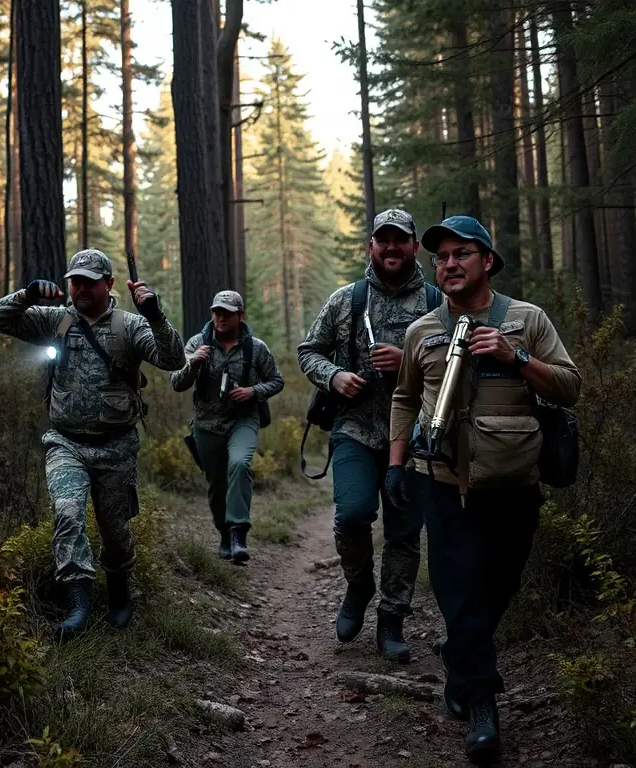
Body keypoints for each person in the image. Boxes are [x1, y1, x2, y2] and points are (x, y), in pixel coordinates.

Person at [386, 215, 581, 761]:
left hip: (515, 484)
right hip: (443, 484)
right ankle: (481, 705)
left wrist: (515, 357)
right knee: (462, 591)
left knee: (499, 586)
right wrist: (397, 466)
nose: (448, 264)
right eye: (441, 257)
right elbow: (403, 400)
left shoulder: (527, 320)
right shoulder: (422, 330)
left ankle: (462, 654)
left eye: (461, 254)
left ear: (487, 261)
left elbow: (571, 387)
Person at [0, 248, 184, 640]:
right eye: (74, 281)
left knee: (115, 530)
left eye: (89, 283)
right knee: (68, 512)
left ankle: (119, 592)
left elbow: (173, 359)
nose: (79, 290)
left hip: (116, 447)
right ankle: (78, 604)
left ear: (108, 285)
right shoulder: (57, 320)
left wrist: (156, 316)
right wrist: (25, 295)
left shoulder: (130, 327)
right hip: (65, 443)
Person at [297, 208, 442, 663]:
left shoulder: (439, 303)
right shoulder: (346, 300)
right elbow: (308, 351)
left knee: (403, 530)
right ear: (371, 247)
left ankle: (392, 619)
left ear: (414, 247)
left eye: (401, 240)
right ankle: (359, 586)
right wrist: (334, 376)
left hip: (417, 437)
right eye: (384, 240)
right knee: (354, 514)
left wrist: (410, 362)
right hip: (355, 430)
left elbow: (458, 366)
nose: (392, 247)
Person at [171, 290, 284, 563]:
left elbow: (276, 381)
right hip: (207, 424)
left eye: (227, 313)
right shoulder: (197, 344)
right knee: (217, 484)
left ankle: (238, 533)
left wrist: (252, 392)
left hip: (243, 420)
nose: (221, 317)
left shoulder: (255, 348)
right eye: (217, 312)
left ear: (239, 316)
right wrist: (194, 363)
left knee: (240, 464)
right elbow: (177, 383)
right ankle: (224, 534)